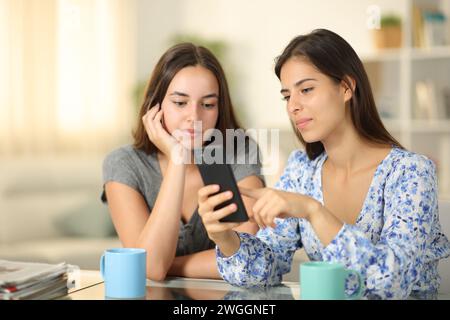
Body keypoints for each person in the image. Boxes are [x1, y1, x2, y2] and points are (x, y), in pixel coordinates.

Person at [198, 29, 450, 299]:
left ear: (346, 87)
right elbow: (264, 268)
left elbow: (392, 281)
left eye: (306, 89)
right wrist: (225, 239)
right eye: (287, 96)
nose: (293, 106)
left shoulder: (411, 172)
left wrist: (313, 211)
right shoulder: (302, 170)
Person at [101, 43, 264, 281]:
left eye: (208, 104)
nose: (194, 117)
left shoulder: (239, 152)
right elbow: (151, 269)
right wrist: (177, 160)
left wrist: (167, 265)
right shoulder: (124, 164)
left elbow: (247, 258)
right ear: (155, 106)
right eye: (180, 102)